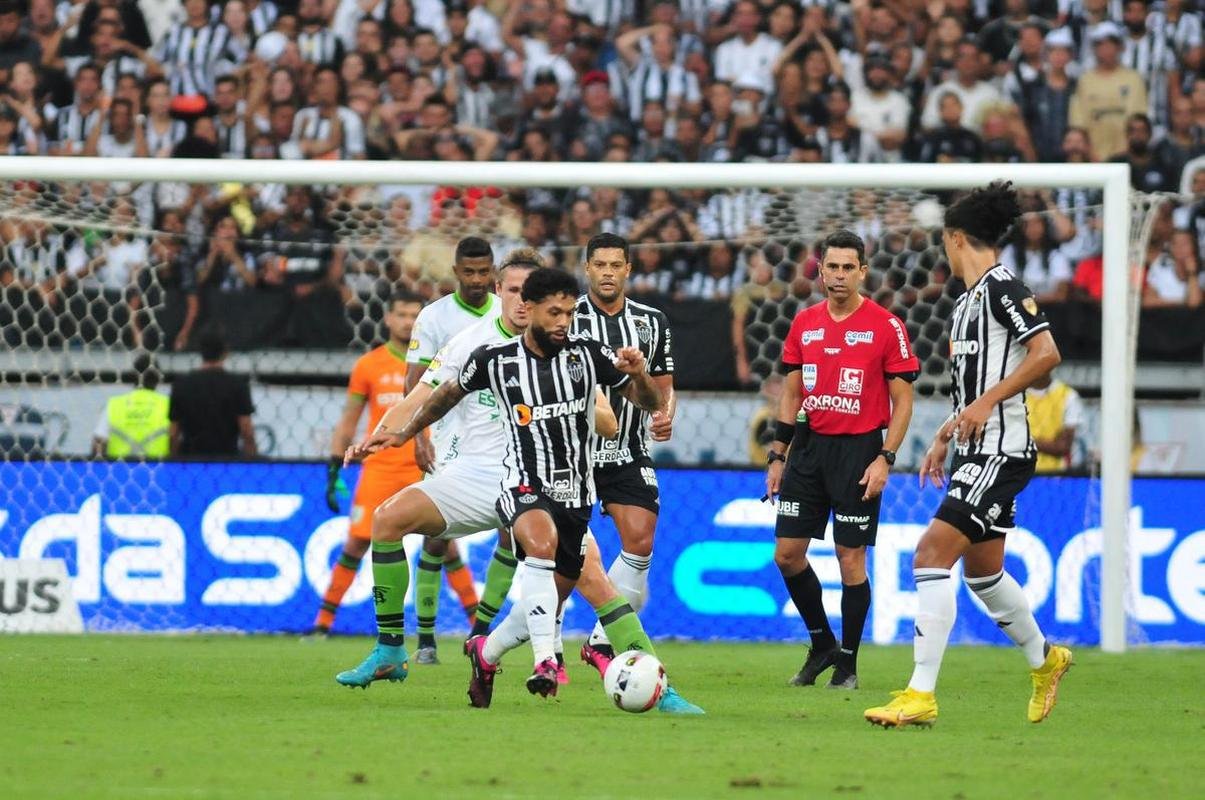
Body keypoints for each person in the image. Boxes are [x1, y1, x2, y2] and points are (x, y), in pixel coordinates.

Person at [864, 182, 1071, 729]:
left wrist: (981, 405)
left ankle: (920, 694)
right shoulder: (965, 303)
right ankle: (1046, 660)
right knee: (984, 575)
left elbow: (1046, 354)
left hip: (1002, 451)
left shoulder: (1003, 288)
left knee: (930, 557)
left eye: (944, 242)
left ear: (956, 238)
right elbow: (977, 386)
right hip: (974, 449)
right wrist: (946, 433)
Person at [765, 229, 919, 690]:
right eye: (830, 266)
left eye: (847, 267)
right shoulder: (805, 323)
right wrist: (778, 455)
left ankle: (848, 662)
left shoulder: (885, 325)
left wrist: (885, 458)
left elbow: (903, 401)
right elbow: (792, 392)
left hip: (859, 452)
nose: (837, 275)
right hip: (808, 451)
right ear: (820, 270)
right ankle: (822, 643)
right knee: (787, 555)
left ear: (862, 272)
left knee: (850, 558)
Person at [572, 232, 677, 679]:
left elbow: (664, 384)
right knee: (559, 562)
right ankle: (528, 645)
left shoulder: (651, 322)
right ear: (588, 268)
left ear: (629, 270)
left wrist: (665, 415)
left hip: (628, 448)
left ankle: (600, 640)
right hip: (572, 453)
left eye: (617, 265)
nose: (608, 272)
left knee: (641, 538)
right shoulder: (568, 316)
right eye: (600, 265)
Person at [307, 290, 426, 637]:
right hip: (379, 468)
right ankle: (322, 625)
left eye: (414, 316)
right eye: (402, 314)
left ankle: (474, 627)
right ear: (388, 319)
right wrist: (333, 467)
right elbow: (349, 420)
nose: (408, 322)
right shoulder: (369, 365)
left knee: (443, 546)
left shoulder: (435, 364)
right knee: (357, 543)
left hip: (421, 466)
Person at [403, 235, 498, 664]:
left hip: (501, 436)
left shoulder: (507, 310)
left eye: (484, 272)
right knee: (435, 538)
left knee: (517, 534)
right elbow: (414, 382)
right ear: (456, 273)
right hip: (446, 437)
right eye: (470, 272)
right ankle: (425, 640)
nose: (478, 280)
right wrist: (419, 437)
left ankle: (480, 632)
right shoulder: (434, 317)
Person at [168, 327, 257, 457]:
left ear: (201, 352)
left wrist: (173, 458)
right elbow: (246, 430)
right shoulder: (237, 385)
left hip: (191, 459)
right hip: (226, 458)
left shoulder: (182, 384)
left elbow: (173, 432)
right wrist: (252, 459)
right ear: (225, 352)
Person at [92, 353, 169, 459]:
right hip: (159, 471)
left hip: (119, 472)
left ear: (133, 376)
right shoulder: (168, 404)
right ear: (158, 378)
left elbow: (98, 442)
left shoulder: (115, 404)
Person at [1026, 370, 1084, 474]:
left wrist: (1024, 441)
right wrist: (1049, 444)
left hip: (1057, 475)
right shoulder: (1015, 394)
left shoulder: (1068, 395)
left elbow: (1062, 447)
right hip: (1021, 474)